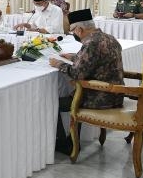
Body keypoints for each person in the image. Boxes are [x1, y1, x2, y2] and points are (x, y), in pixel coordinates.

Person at [49, 9, 125, 155]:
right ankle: (70, 140)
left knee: (54, 102)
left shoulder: (91, 43)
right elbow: (94, 61)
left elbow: (77, 73)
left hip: (99, 97)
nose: (73, 34)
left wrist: (58, 64)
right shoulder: (109, 38)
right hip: (116, 94)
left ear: (79, 29)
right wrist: (74, 57)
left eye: (72, 31)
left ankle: (67, 144)